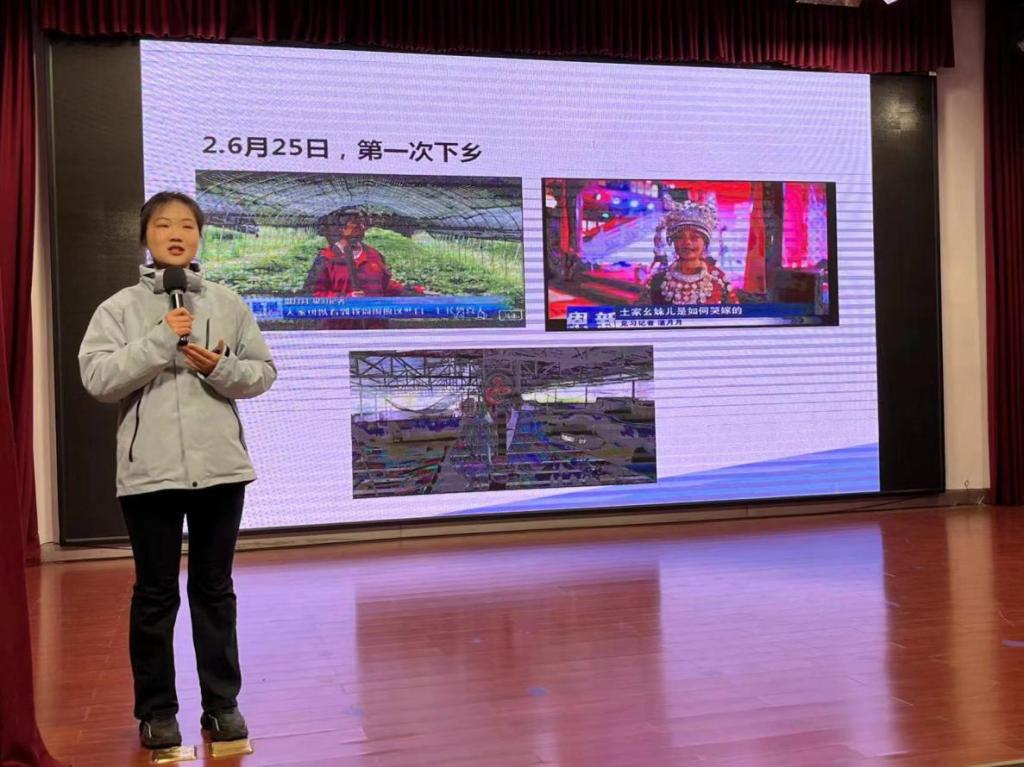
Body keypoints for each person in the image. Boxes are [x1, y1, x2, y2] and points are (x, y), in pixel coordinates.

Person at [79, 191, 277, 750]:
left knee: (215, 591)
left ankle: (222, 706)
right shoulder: (118, 308)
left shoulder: (229, 302)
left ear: (199, 237)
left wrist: (221, 369)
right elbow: (98, 380)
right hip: (151, 474)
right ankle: (157, 712)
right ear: (145, 236)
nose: (175, 234)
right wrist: (161, 338)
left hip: (220, 471)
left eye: (187, 225)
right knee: (155, 595)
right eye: (163, 225)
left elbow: (262, 373)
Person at [303, 209, 422, 298]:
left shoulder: (374, 255)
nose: (362, 228)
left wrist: (409, 290)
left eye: (362, 224)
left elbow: (384, 285)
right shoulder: (326, 258)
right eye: (355, 224)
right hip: (341, 322)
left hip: (374, 320)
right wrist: (347, 298)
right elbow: (313, 295)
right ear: (341, 229)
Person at [645, 197, 738, 305]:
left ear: (705, 242)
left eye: (694, 237)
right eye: (680, 237)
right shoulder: (658, 280)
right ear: (673, 241)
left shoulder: (719, 279)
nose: (687, 242)